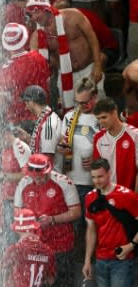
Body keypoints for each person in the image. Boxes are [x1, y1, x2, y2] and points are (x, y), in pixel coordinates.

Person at [14, 153, 80, 287]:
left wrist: (53, 219)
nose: (38, 178)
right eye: (35, 175)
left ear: (49, 169)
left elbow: (76, 212)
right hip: (36, 249)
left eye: (42, 175)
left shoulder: (64, 183)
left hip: (61, 246)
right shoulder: (23, 185)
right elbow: (17, 215)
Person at [83, 158, 138, 287]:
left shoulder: (127, 196)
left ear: (109, 174)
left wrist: (131, 245)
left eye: (100, 176)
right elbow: (91, 230)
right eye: (93, 177)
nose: (97, 181)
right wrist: (87, 260)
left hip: (121, 258)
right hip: (101, 257)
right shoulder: (90, 198)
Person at [26, 0, 104, 108]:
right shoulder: (37, 36)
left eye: (37, 12)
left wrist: (97, 65)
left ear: (47, 9)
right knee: (70, 113)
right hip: (65, 76)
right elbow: (35, 61)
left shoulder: (74, 16)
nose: (34, 17)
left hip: (88, 69)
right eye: (31, 14)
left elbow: (92, 38)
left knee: (98, 108)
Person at [0, 22, 51, 125]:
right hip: (43, 117)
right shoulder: (38, 57)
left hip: (19, 123)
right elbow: (48, 84)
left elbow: (2, 102)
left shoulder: (6, 71)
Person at [58, 78, 99, 207]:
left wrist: (97, 160)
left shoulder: (102, 118)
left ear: (95, 98)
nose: (80, 106)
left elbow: (111, 148)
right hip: (71, 180)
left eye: (84, 103)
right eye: (77, 102)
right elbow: (61, 144)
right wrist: (61, 147)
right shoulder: (69, 117)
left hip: (93, 181)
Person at [92, 98, 138, 192]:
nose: (101, 122)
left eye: (104, 117)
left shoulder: (135, 136)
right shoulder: (98, 138)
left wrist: (135, 198)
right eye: (98, 118)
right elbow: (98, 171)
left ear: (114, 113)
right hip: (108, 196)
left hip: (129, 196)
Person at [18, 85, 61, 159]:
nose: (26, 108)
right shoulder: (44, 118)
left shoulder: (48, 125)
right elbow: (41, 148)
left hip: (48, 169)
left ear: (32, 102)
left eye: (26, 103)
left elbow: (47, 160)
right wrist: (28, 139)